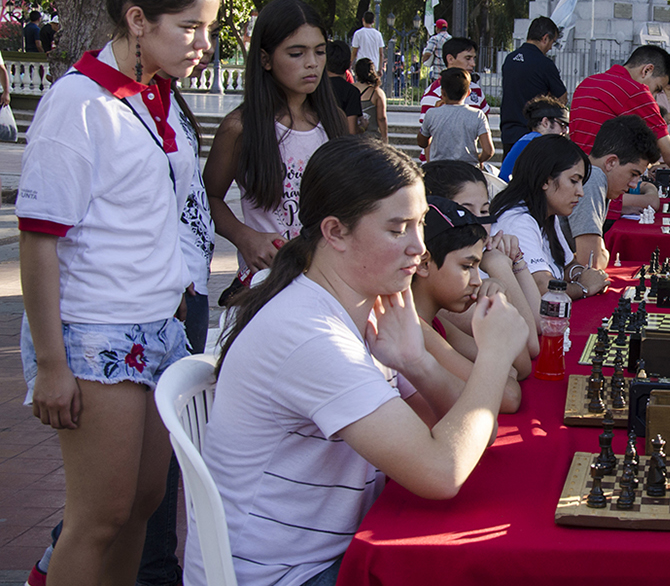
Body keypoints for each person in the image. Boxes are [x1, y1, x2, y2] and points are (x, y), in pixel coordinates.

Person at [192, 138, 526, 586]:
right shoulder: (310, 333)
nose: (418, 248)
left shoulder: (370, 308)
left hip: (331, 552)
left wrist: (416, 363)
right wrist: (496, 354)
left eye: (420, 224)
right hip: (286, 575)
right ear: (335, 232)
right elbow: (442, 470)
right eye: (397, 229)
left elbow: (455, 436)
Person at [18, 0, 220, 585]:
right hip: (95, 329)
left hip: (160, 323)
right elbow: (39, 238)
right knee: (97, 516)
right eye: (189, 26)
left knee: (142, 503)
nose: (203, 44)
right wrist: (51, 363)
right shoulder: (79, 102)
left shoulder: (155, 96)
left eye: (208, 27)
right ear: (138, 19)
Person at [204, 0, 349, 281]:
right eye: (296, 54)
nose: (312, 64)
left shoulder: (336, 122)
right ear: (265, 59)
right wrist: (245, 237)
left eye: (320, 52)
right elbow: (207, 197)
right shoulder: (240, 127)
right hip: (268, 279)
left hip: (328, 277)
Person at [570, 45, 670, 207]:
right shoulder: (636, 91)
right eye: (657, 88)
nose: (654, 96)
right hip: (602, 193)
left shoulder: (587, 83)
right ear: (647, 70)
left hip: (575, 187)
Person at [422, 160, 542, 366]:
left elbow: (537, 324)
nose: (480, 223)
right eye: (466, 211)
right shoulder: (445, 285)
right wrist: (499, 266)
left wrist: (517, 260)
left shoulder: (478, 261)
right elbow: (529, 344)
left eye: (485, 211)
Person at [490, 134, 610, 301]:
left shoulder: (548, 214)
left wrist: (582, 274)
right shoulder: (518, 220)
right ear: (545, 180)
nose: (580, 192)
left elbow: (568, 264)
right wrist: (584, 287)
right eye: (573, 181)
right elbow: (542, 286)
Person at [568, 115, 661, 269]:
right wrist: (603, 253)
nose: (633, 185)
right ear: (611, 162)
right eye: (633, 173)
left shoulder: (588, 173)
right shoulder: (593, 178)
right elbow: (592, 264)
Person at [500, 16, 567, 153]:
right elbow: (562, 99)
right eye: (551, 43)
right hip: (532, 134)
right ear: (545, 38)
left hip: (509, 132)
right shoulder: (544, 64)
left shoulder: (510, 59)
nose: (549, 48)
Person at [418, 68, 493, 165]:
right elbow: (488, 151)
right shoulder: (478, 115)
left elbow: (422, 142)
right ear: (468, 93)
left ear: (442, 92)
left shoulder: (432, 114)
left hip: (439, 171)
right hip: (467, 171)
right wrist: (477, 159)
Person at [500, 96, 569, 181]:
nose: (565, 131)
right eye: (562, 125)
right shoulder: (543, 144)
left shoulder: (526, 140)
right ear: (545, 122)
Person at [325, 41, 362, 134]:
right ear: (349, 65)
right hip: (339, 144)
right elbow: (351, 130)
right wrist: (363, 128)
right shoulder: (351, 92)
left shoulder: (315, 88)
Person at [354, 58, 388, 142]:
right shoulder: (376, 93)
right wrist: (385, 139)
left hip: (353, 138)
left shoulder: (349, 89)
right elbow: (381, 118)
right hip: (372, 139)